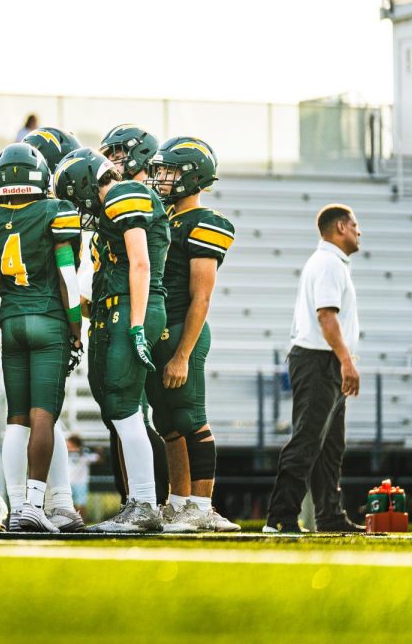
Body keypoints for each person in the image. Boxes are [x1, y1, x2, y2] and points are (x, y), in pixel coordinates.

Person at [0, 143, 84, 533]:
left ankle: (18, 505)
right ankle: (35, 504)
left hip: (13, 320)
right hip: (49, 318)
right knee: (43, 417)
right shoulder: (54, 212)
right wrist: (75, 327)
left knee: (15, 421)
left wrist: (11, 294)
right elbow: (67, 276)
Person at [55, 147, 169, 533]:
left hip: (130, 307)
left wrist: (136, 324)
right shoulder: (112, 205)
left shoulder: (123, 194)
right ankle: (138, 502)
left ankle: (145, 504)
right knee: (117, 407)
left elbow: (140, 262)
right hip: (114, 307)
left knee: (124, 405)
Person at [145, 136, 240, 533]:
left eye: (170, 171)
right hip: (162, 330)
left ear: (192, 176)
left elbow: (201, 297)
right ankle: (179, 502)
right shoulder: (165, 218)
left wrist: (183, 353)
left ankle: (203, 506)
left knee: (190, 418)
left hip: (185, 328)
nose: (162, 178)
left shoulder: (204, 222)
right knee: (165, 421)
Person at [264, 204, 364, 534]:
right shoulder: (329, 263)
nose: (358, 231)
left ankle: (330, 515)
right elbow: (326, 316)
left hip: (323, 361)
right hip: (319, 360)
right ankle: (280, 516)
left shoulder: (331, 262)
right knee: (308, 440)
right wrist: (346, 361)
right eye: (354, 225)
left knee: (330, 446)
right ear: (339, 228)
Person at [65, 433, 100, 519]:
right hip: (68, 483)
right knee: (69, 505)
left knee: (81, 505)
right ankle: (72, 523)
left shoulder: (84, 453)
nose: (67, 445)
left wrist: (99, 450)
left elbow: (97, 458)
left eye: (69, 443)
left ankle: (82, 524)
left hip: (81, 483)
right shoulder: (65, 452)